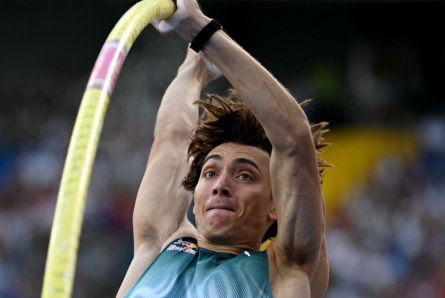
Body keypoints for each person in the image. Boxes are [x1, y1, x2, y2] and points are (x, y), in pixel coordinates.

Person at [117, 0, 331, 297]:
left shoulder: (287, 269)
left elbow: (294, 138)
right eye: (209, 173)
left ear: (276, 207)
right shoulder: (158, 244)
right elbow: (171, 137)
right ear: (195, 198)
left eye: (245, 176)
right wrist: (194, 68)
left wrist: (198, 28)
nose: (221, 185)